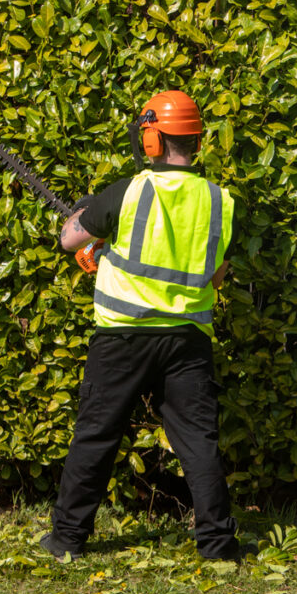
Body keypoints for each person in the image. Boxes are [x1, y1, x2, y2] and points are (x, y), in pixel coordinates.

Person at [40, 90, 240, 561]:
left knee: (97, 434)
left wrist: (90, 233)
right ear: (195, 139)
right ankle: (217, 545)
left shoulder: (128, 191)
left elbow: (71, 239)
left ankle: (67, 538)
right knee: (198, 442)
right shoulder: (219, 201)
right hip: (187, 339)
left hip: (123, 335)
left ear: (151, 138)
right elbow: (215, 274)